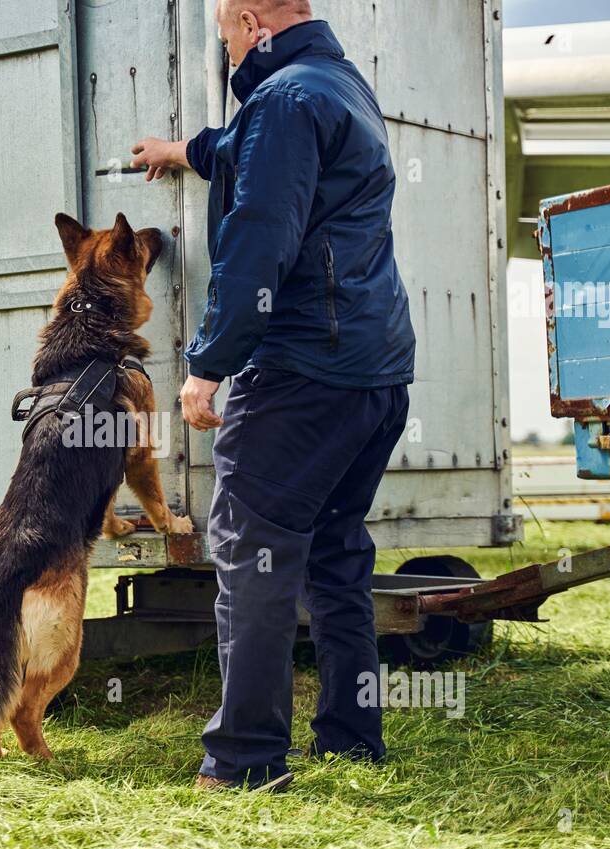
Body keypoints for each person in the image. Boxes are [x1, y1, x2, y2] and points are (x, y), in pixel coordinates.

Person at [130, 0, 416, 792]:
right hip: (377, 373)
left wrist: (208, 363)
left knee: (252, 552)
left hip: (303, 373)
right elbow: (243, 149)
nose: (225, 49)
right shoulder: (338, 87)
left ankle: (246, 760)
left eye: (224, 34)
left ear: (252, 22)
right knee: (336, 552)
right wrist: (182, 150)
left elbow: (260, 237)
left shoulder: (283, 101)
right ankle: (352, 740)